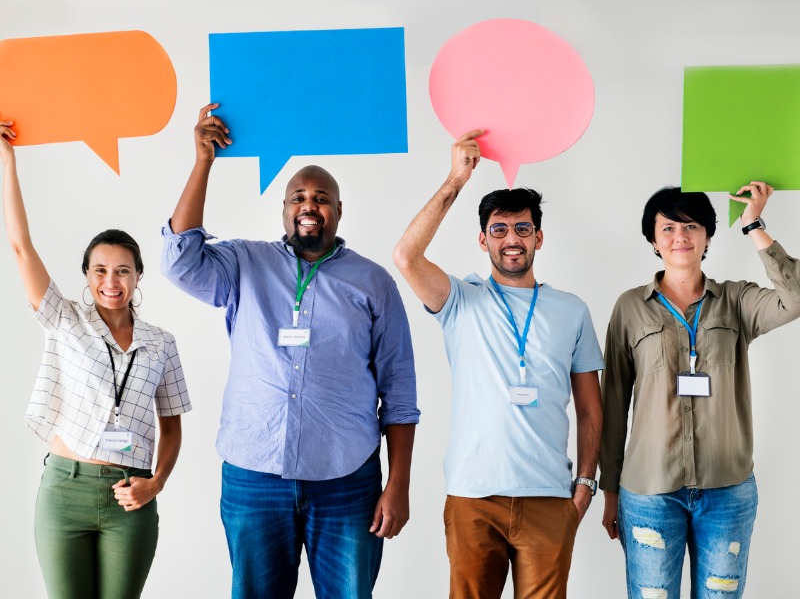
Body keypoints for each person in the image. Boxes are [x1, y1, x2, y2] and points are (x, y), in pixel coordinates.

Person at [160, 104, 419, 599]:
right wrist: (203, 162)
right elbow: (179, 261)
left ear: (338, 212)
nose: (309, 205)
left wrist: (399, 483)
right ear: (283, 209)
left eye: (322, 198)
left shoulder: (373, 283)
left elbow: (399, 393)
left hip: (347, 480)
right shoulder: (244, 263)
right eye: (298, 196)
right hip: (254, 477)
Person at [393, 129, 604, 599]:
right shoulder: (459, 300)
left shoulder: (571, 309)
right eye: (500, 229)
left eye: (523, 229)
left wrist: (586, 484)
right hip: (473, 495)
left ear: (539, 237)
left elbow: (591, 408)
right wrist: (455, 180)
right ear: (483, 238)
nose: (512, 240)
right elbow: (406, 257)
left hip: (549, 496)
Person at [0, 119, 191, 599]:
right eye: (100, 270)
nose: (112, 281)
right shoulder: (64, 321)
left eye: (123, 270)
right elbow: (22, 247)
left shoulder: (161, 342)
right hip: (65, 491)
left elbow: (171, 426)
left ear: (138, 276)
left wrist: (156, 484)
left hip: (131, 496)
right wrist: (8, 164)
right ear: (86, 275)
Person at [599, 182, 800, 598]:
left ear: (707, 235)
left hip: (727, 490)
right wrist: (610, 490)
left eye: (691, 226)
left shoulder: (737, 300)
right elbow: (614, 403)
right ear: (653, 241)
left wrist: (753, 224)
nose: (680, 237)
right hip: (649, 492)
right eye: (668, 228)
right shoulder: (630, 308)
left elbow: (794, 298)